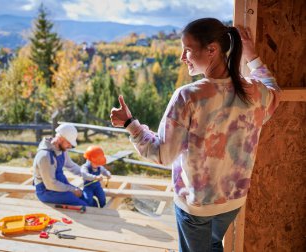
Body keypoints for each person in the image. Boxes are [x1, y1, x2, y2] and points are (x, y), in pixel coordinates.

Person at [110, 18, 280, 252]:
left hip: (197, 206)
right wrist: (252, 56)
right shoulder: (254, 91)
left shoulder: (188, 97)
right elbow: (274, 91)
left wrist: (130, 124)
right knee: (213, 245)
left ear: (212, 50)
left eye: (187, 50)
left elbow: (163, 155)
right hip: (233, 202)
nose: (182, 58)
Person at [33, 123, 87, 206]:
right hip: (47, 191)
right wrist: (72, 190)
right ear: (60, 139)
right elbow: (51, 184)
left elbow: (71, 165)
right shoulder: (45, 156)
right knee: (82, 205)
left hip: (60, 184)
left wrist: (86, 174)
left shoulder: (61, 149)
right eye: (69, 143)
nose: (70, 146)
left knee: (84, 196)